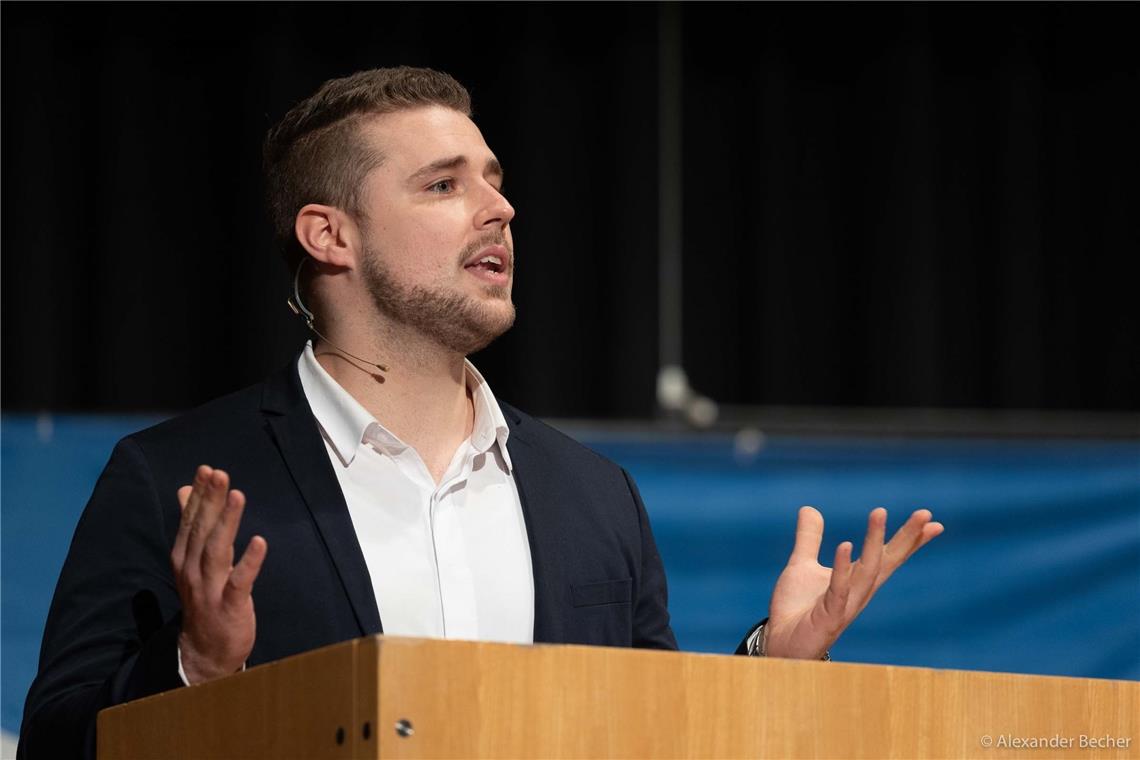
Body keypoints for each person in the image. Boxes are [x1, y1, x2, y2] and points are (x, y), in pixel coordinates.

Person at [18, 66, 943, 758]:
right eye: (444, 184)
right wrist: (196, 671)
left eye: (493, 180)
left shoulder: (592, 494)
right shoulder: (178, 477)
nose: (499, 208)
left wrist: (769, 675)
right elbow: (59, 742)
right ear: (328, 235)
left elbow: (652, 738)